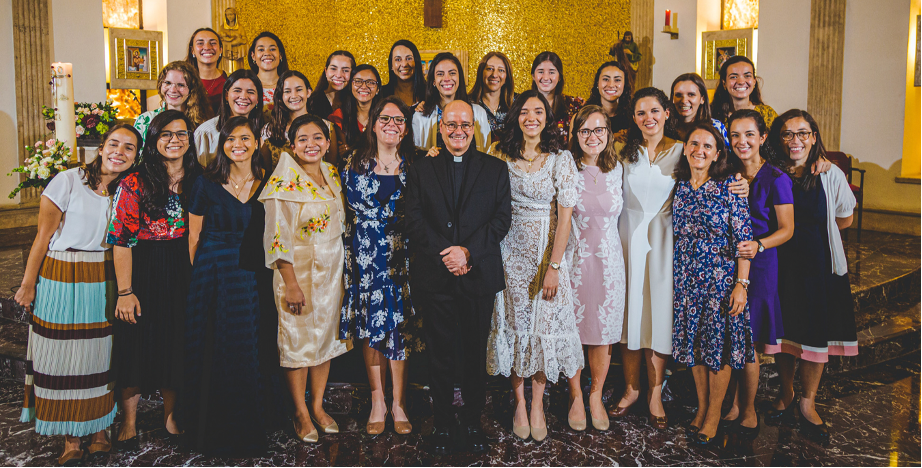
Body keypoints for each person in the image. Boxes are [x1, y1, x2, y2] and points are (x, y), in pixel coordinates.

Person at [611, 88, 749, 430]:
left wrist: (742, 181)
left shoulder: (680, 150)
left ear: (666, 113)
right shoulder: (621, 150)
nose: (648, 118)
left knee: (658, 316)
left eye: (654, 110)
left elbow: (717, 173)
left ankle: (656, 392)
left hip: (665, 243)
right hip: (626, 237)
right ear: (634, 117)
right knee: (629, 316)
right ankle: (631, 389)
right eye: (641, 112)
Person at [16, 125, 141, 466]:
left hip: (104, 274)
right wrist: (29, 284)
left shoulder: (129, 190)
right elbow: (43, 237)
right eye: (114, 144)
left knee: (100, 357)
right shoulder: (68, 180)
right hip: (62, 272)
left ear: (135, 158)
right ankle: (71, 439)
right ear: (101, 148)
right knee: (62, 356)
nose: (120, 151)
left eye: (129, 148)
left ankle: (100, 431)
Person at [405, 100, 511, 454]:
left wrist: (467, 252)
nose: (458, 131)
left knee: (472, 355)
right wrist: (448, 254)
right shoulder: (422, 168)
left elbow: (501, 220)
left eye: (465, 125)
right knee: (439, 356)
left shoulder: (496, 169)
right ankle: (443, 425)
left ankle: (471, 422)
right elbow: (415, 220)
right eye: (451, 125)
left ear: (475, 128)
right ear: (441, 128)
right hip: (436, 277)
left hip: (478, 275)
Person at [486, 90, 582, 440]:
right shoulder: (499, 154)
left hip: (546, 254)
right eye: (524, 111)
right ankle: (518, 403)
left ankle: (538, 403)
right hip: (508, 254)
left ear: (547, 116)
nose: (531, 117)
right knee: (515, 325)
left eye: (538, 111)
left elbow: (566, 218)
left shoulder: (560, 159)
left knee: (543, 328)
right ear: (516, 117)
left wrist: (554, 266)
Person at [107, 110, 202, 450]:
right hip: (144, 265)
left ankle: (171, 414)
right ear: (154, 139)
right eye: (166, 134)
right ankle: (129, 420)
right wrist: (125, 291)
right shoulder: (135, 181)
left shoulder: (198, 178)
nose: (174, 140)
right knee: (135, 341)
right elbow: (120, 240)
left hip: (183, 265)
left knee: (177, 340)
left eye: (181, 134)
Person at [259, 114, 352, 444]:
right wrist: (292, 284)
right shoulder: (282, 184)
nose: (311, 144)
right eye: (303, 139)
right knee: (298, 343)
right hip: (297, 274)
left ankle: (318, 404)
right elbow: (276, 239)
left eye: (318, 138)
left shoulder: (331, 173)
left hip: (330, 274)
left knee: (324, 341)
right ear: (293, 145)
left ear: (328, 143)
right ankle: (299, 411)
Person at [183, 116, 273, 455]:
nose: (239, 144)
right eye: (231, 138)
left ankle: (246, 425)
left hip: (251, 275)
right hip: (212, 272)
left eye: (245, 138)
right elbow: (193, 237)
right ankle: (207, 424)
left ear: (255, 143)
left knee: (245, 347)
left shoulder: (267, 182)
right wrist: (205, 274)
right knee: (212, 345)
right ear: (222, 144)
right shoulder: (205, 183)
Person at [767, 109, 857, 444]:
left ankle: (809, 401)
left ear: (814, 137)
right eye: (788, 134)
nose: (795, 141)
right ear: (779, 139)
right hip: (782, 262)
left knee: (815, 335)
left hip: (818, 264)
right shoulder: (774, 172)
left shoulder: (828, 173)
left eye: (802, 133)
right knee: (786, 333)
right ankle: (787, 392)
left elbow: (845, 217)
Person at [340, 96, 423, 435]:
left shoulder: (416, 163)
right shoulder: (351, 162)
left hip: (404, 254)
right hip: (365, 256)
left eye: (399, 120)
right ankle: (378, 399)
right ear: (372, 123)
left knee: (399, 327)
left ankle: (399, 402)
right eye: (385, 119)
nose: (392, 125)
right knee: (372, 327)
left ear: (406, 128)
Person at [672, 124, 755, 445]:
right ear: (685, 148)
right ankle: (703, 407)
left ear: (718, 153)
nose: (700, 150)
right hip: (686, 282)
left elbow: (744, 239)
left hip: (720, 283)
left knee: (717, 351)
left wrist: (741, 284)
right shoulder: (680, 186)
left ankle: (714, 415)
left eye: (708, 146)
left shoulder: (729, 187)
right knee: (695, 347)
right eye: (694, 144)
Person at [718, 109, 794, 441]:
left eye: (749, 134)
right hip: (727, 262)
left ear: (762, 138)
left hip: (760, 264)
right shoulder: (728, 173)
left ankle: (748, 409)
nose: (741, 141)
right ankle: (735, 401)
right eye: (735, 135)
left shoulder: (776, 178)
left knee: (747, 339)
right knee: (731, 335)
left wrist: (758, 246)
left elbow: (787, 229)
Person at [565, 105, 625, 432]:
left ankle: (596, 395)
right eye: (585, 130)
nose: (592, 136)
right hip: (575, 258)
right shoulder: (565, 166)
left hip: (609, 260)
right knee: (573, 329)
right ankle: (575, 395)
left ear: (608, 134)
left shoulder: (619, 168)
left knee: (603, 331)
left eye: (599, 129)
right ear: (576, 135)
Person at [412, 52, 491, 152]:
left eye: (452, 73)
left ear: (459, 78)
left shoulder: (478, 113)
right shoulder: (420, 116)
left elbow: (487, 153)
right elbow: (417, 156)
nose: (447, 79)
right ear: (433, 81)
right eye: (440, 74)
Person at [261, 70, 339, 170]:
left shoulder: (327, 127)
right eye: (287, 91)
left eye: (299, 90)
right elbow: (266, 172)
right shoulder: (269, 130)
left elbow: (331, 169)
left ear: (308, 92)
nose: (294, 95)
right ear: (281, 96)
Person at [195, 69, 264, 166]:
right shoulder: (206, 133)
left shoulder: (264, 131)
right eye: (237, 91)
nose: (243, 96)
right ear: (227, 95)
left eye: (250, 92)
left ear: (257, 99)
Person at [135, 61, 213, 143]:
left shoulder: (203, 123)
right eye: (167, 83)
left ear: (192, 90)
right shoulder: (144, 121)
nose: (172, 90)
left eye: (181, 85)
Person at [530, 51, 584, 145]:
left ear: (559, 77)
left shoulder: (574, 105)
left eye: (551, 72)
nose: (546, 77)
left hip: (566, 158)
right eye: (541, 72)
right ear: (533, 76)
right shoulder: (522, 105)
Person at [329, 64, 382, 157]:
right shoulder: (339, 116)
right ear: (351, 86)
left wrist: (353, 150)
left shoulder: (385, 116)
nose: (364, 86)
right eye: (358, 81)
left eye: (370, 82)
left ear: (377, 89)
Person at [711, 56, 777, 127]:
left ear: (754, 81)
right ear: (724, 83)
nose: (741, 82)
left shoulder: (767, 115)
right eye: (734, 77)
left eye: (747, 76)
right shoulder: (711, 115)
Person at [670, 73, 728, 145]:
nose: (684, 101)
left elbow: (725, 156)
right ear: (672, 98)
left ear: (702, 99)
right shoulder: (663, 127)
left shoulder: (716, 127)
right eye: (678, 95)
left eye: (691, 95)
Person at [468, 51, 515, 136]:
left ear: (507, 76)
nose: (494, 75)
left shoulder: (517, 103)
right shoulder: (467, 104)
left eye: (501, 70)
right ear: (481, 72)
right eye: (489, 69)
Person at [185, 28, 227, 115]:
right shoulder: (183, 80)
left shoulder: (230, 79)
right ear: (192, 50)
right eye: (200, 43)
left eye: (213, 43)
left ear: (220, 50)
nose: (207, 47)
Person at [584, 61, 633, 134]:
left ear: (624, 85)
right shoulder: (584, 115)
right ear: (597, 83)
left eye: (617, 80)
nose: (611, 85)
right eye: (606, 79)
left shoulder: (633, 116)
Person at [247, 31, 290, 111]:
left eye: (272, 49)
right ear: (253, 56)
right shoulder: (245, 86)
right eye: (261, 49)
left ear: (280, 55)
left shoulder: (290, 86)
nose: (267, 53)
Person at [309, 50, 355, 120]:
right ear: (326, 71)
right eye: (333, 69)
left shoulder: (356, 103)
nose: (338, 75)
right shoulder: (311, 102)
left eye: (345, 70)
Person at [380, 40, 426, 107]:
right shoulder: (381, 95)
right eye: (398, 59)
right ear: (391, 65)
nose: (404, 64)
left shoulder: (430, 93)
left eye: (409, 58)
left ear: (417, 62)